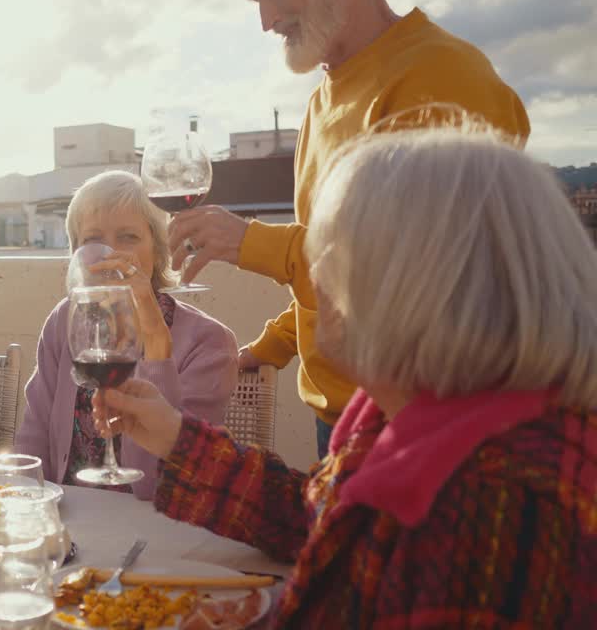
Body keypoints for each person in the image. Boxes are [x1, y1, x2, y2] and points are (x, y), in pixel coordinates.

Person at [96, 129, 597, 627]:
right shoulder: (429, 423)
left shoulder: (491, 518)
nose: (313, 272)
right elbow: (316, 520)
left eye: (334, 248)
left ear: (427, 283)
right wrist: (175, 437)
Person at [166, 0, 531, 457]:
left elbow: (407, 279)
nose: (265, 21)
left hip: (424, 426)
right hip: (341, 422)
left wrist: (248, 242)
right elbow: (332, 266)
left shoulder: (442, 77)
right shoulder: (321, 101)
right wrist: (273, 346)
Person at [14, 171, 236, 501]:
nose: (109, 254)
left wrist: (155, 345)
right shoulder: (65, 321)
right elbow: (34, 436)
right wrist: (27, 509)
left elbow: (162, 486)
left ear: (158, 251)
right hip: (70, 521)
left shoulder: (209, 343)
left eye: (128, 237)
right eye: (93, 241)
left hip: (154, 528)